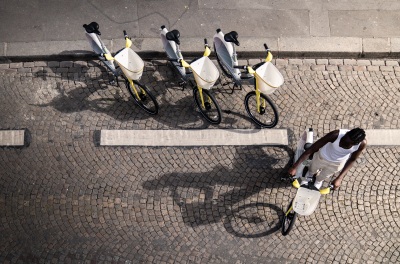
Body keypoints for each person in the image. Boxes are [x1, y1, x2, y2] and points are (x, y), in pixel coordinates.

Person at [288, 128, 367, 190]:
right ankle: (310, 175)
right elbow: (312, 149)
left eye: (348, 144)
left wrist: (339, 178)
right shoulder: (335, 135)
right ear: (346, 134)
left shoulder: (361, 144)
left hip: (337, 163)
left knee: (325, 175)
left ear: (355, 144)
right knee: (312, 168)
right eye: (344, 140)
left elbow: (352, 160)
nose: (343, 144)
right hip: (322, 157)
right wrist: (294, 167)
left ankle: (319, 180)